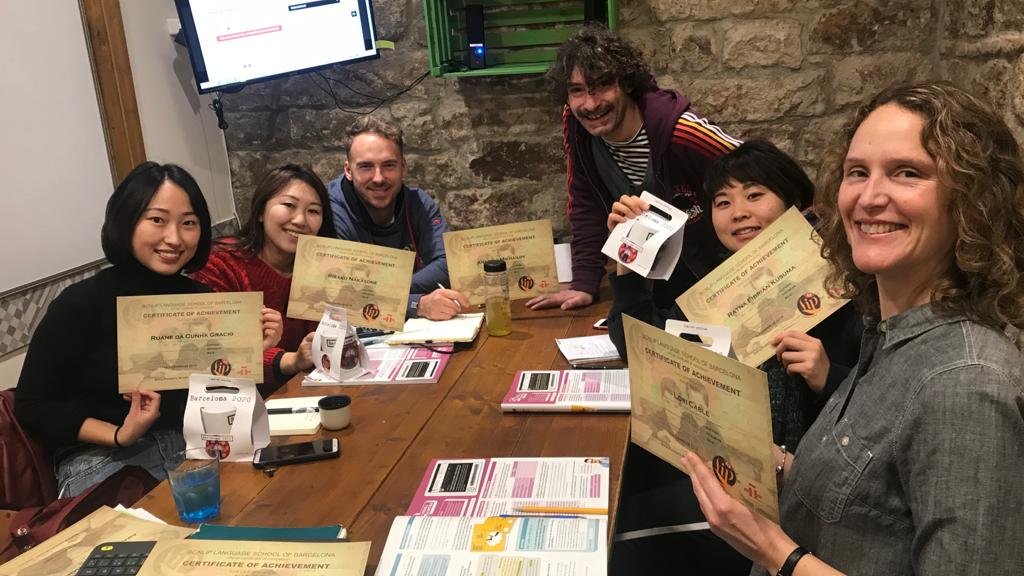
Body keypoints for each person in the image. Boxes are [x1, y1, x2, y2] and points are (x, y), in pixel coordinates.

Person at [684, 82, 1024, 575]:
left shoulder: (966, 384)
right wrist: (776, 465)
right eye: (857, 172)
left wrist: (772, 549)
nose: (869, 197)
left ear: (973, 199)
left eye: (908, 173)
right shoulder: (886, 333)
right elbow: (871, 505)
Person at [607, 141, 862, 576]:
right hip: (717, 465)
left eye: (755, 194)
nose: (738, 212)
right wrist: (628, 266)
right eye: (723, 202)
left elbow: (878, 410)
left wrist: (828, 376)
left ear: (794, 202)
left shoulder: (837, 284)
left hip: (794, 494)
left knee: (616, 535)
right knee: (616, 495)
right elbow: (642, 346)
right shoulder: (716, 288)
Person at [14, 162, 282, 498]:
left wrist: (249, 353)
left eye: (188, 223)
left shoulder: (202, 300)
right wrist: (119, 434)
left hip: (193, 446)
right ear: (126, 220)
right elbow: (32, 405)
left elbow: (217, 399)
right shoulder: (81, 302)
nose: (174, 238)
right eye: (157, 220)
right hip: (103, 460)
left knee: (272, 499)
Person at [527, 24, 741, 312]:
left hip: (723, 280)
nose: (590, 104)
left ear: (627, 83)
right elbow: (586, 202)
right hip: (655, 284)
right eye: (577, 90)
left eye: (603, 85)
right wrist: (584, 283)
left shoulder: (683, 131)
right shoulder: (577, 126)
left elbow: (767, 172)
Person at [194, 164, 335, 395]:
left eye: (313, 211)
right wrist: (291, 360)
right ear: (260, 211)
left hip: (306, 394)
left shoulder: (321, 269)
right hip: (237, 400)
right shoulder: (221, 264)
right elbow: (217, 352)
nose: (301, 220)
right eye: (289, 205)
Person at [326, 116, 470, 320]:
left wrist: (383, 292)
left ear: (403, 167)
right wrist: (417, 304)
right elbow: (341, 297)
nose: (378, 178)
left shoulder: (418, 203)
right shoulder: (328, 212)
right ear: (348, 170)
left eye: (389, 165)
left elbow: (450, 265)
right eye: (366, 166)